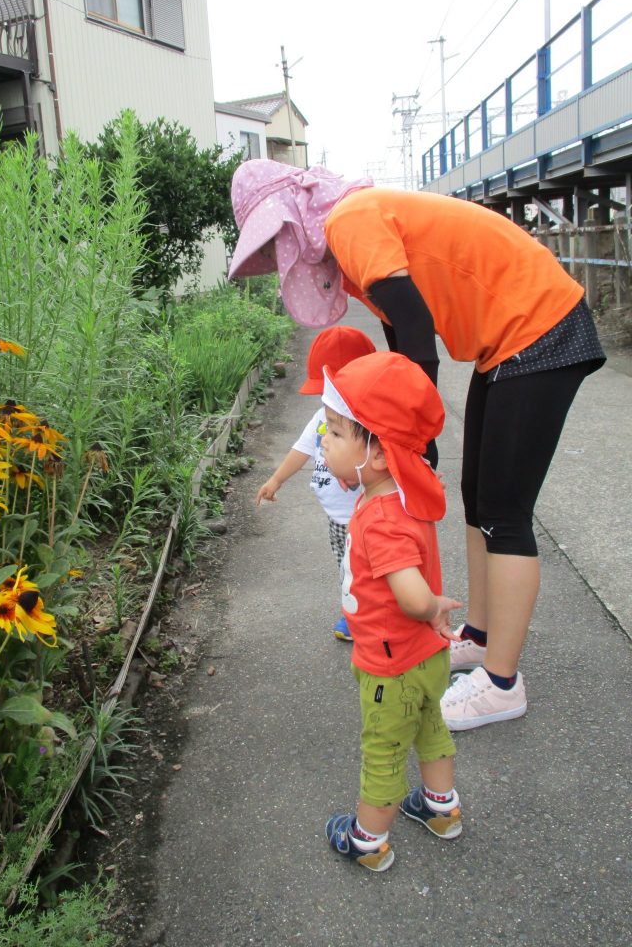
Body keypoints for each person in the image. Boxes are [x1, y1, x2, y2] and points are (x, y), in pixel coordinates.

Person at [229, 159, 606, 731]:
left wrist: (409, 440)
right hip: (504, 342)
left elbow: (417, 336)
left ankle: (502, 684)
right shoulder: (352, 232)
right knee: (478, 499)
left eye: (279, 236)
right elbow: (401, 343)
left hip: (538, 325)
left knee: (505, 512)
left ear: (295, 216)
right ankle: (479, 639)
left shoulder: (350, 220)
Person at [320, 350, 462, 873]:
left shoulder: (380, 518)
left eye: (335, 434)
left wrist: (431, 606)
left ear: (377, 453)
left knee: (382, 749)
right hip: (425, 657)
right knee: (430, 728)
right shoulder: (402, 494)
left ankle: (368, 840)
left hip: (392, 663)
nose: (324, 442)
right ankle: (441, 808)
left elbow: (408, 593)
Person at [255, 325, 375, 641]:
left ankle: (367, 617)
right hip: (336, 517)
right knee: (346, 570)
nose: (327, 401)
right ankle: (354, 611)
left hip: (368, 515)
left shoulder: (370, 421)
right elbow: (302, 449)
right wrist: (276, 479)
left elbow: (392, 458)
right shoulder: (322, 417)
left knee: (370, 570)